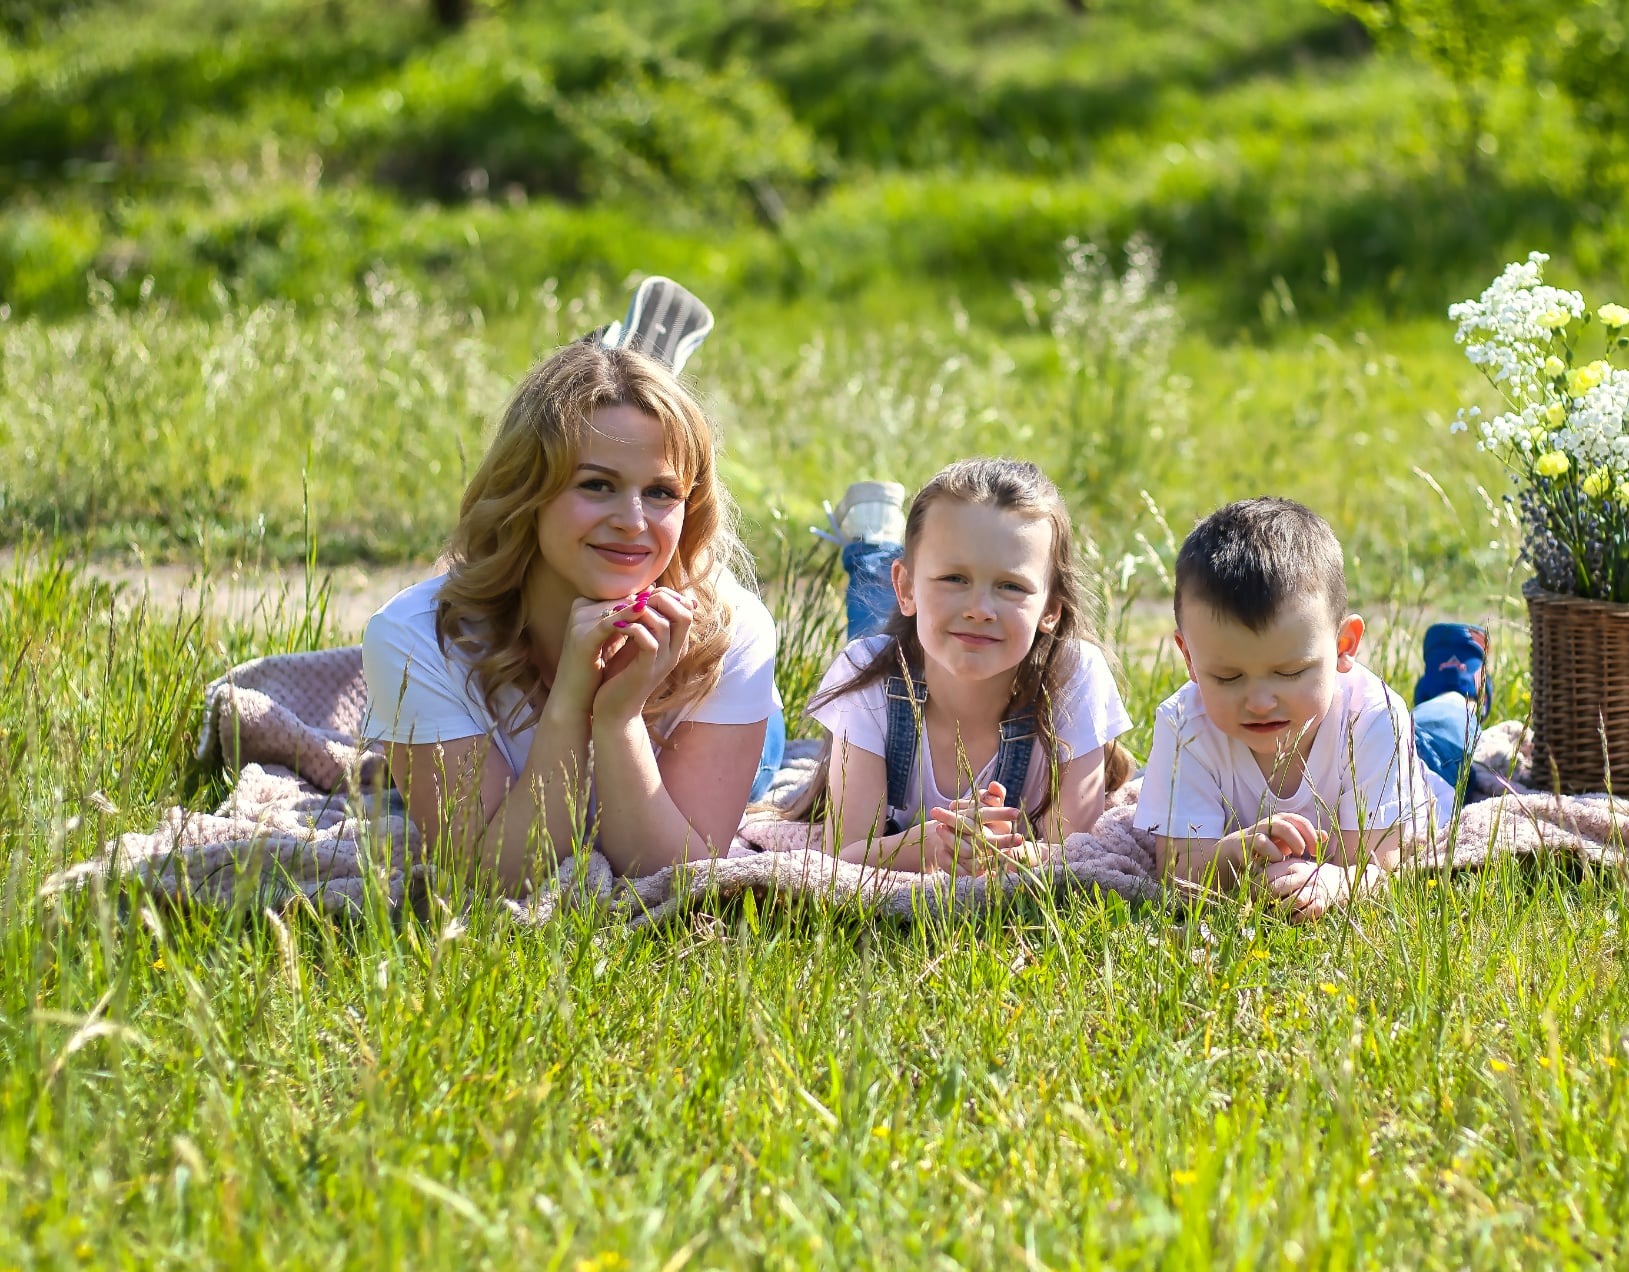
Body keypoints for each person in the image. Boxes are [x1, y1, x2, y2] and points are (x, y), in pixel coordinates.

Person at [362, 278, 779, 889]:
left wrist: (618, 719)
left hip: (734, 727)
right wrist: (570, 704)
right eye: (596, 484)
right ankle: (623, 373)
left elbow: (675, 875)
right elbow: (501, 880)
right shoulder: (416, 640)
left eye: (661, 491)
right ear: (526, 492)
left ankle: (870, 551)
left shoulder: (731, 632)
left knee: (772, 766)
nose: (633, 523)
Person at [1133, 498, 1487, 920]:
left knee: (1447, 722)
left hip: (1423, 764)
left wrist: (1337, 883)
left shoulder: (1373, 715)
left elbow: (1381, 864)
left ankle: (1457, 673)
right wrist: (1238, 853)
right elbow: (1175, 870)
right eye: (1228, 677)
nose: (1260, 702)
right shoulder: (1183, 724)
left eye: (1289, 672)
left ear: (1344, 646)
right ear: (1189, 657)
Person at [781, 458, 1133, 871]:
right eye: (954, 578)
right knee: (875, 630)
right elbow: (846, 857)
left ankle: (888, 548)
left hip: (926, 630)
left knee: (913, 624)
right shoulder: (867, 677)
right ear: (906, 586)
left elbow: (1074, 851)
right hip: (904, 645)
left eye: (1011, 586)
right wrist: (931, 845)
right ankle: (873, 541)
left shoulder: (1074, 675)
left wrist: (1014, 856)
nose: (980, 609)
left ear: (1051, 609)